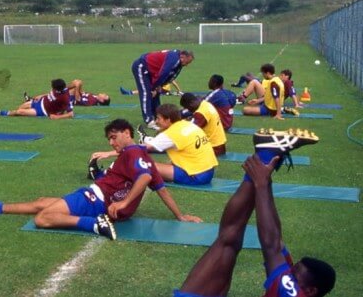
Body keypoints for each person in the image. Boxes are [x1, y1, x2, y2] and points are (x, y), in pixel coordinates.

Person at [0, 119, 202, 240]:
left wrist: (123, 203)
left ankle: (94, 225)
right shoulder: (144, 157)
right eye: (109, 140)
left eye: (114, 137)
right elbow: (161, 189)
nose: (112, 143)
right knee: (43, 201)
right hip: (102, 202)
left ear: (126, 132)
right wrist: (180, 216)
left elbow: (144, 178)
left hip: (95, 199)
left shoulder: (133, 153)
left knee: (43, 218)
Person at [174, 129, 335, 297]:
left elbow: (270, 245)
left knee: (226, 243)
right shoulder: (298, 286)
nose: (289, 273)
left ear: (310, 291)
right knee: (228, 241)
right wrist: (265, 179)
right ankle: (267, 153)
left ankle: (265, 154)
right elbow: (277, 243)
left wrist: (262, 184)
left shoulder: (292, 294)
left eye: (294, 275)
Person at [139, 103, 218, 185]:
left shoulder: (172, 133)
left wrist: (126, 149)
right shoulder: (187, 124)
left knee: (143, 165)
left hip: (195, 176)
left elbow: (146, 147)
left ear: (168, 120)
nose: (156, 121)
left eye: (158, 118)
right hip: (208, 172)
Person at [131, 49, 194, 130]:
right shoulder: (174, 59)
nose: (187, 64)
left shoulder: (179, 63)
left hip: (151, 71)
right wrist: (154, 87)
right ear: (183, 57)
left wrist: (159, 86)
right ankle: (149, 121)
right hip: (142, 66)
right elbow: (164, 73)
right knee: (146, 93)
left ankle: (158, 118)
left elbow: (171, 76)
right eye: (187, 62)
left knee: (156, 94)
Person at [0, 79, 74, 119]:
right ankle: (29, 100)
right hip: (39, 102)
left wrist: (57, 117)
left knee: (19, 112)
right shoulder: (61, 88)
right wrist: (41, 96)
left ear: (56, 88)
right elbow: (76, 83)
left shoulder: (65, 98)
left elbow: (71, 114)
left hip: (43, 111)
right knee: (20, 108)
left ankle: (1, 113)